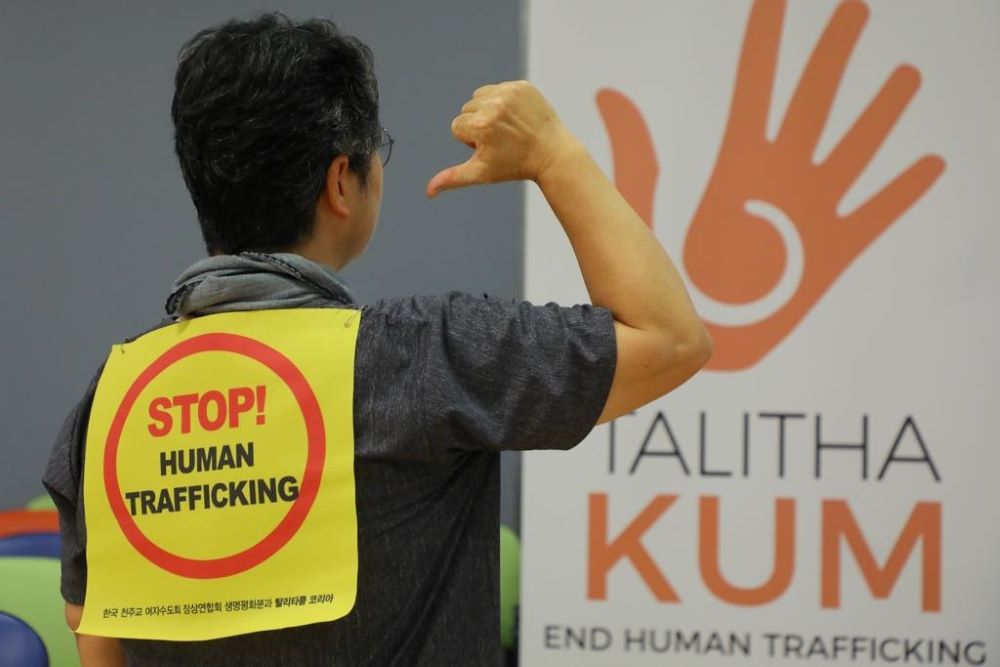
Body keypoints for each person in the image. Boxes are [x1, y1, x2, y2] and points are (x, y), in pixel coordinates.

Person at [42, 12, 712, 667]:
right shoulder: (426, 355)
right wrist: (553, 154)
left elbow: (98, 638)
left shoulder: (105, 406)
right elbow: (670, 338)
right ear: (342, 182)